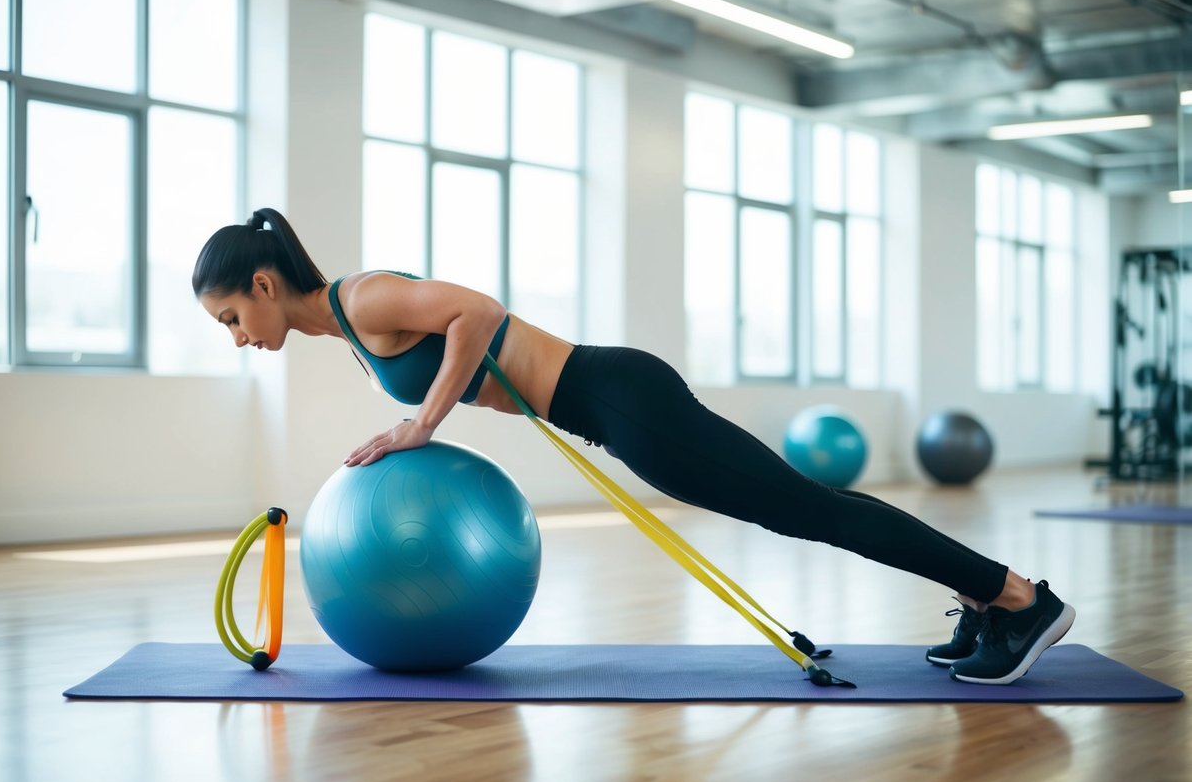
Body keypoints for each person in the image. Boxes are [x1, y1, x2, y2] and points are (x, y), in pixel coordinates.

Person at [193, 208, 1076, 686]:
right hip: (613, 408)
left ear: (265, 285)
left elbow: (481, 313)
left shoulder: (364, 296)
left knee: (814, 512)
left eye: (233, 316)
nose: (237, 334)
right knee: (813, 509)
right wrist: (423, 413)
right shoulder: (348, 327)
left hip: (620, 398)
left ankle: (1014, 598)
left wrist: (422, 422)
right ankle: (993, 600)